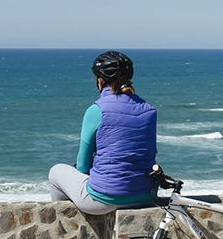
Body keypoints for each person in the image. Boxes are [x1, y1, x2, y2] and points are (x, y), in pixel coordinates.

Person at [48, 51, 157, 215]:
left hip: (104, 199)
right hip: (145, 195)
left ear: (100, 81)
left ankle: (64, 220)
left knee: (56, 171)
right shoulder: (149, 110)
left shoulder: (97, 110)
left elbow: (83, 164)